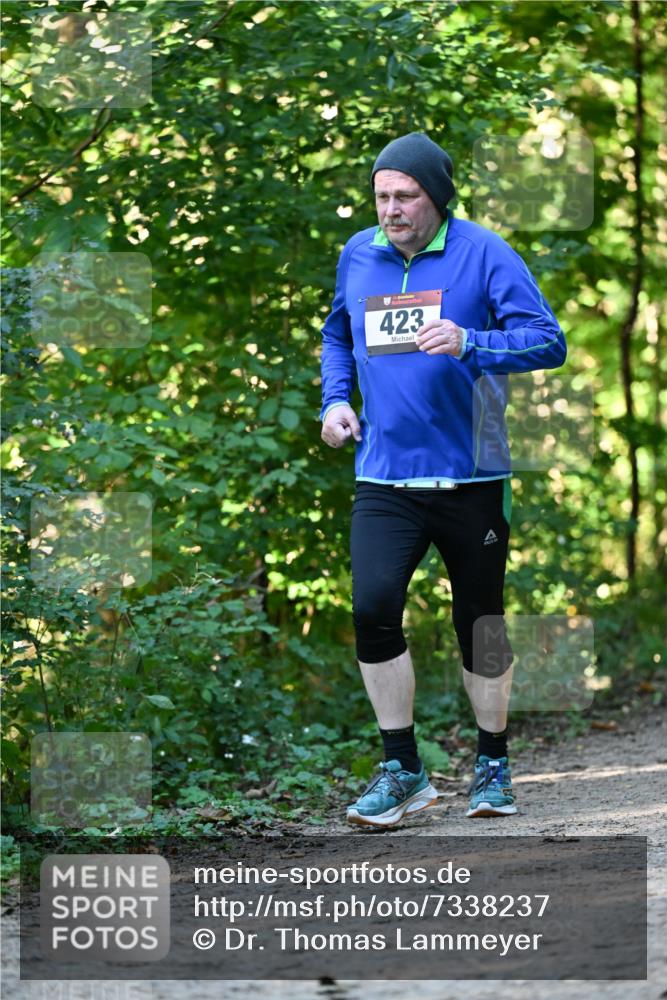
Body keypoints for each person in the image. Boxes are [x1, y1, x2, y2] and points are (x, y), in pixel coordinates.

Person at [319, 132, 567, 828]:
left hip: (472, 475)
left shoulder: (484, 252)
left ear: (437, 197)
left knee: (479, 623)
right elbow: (338, 335)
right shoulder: (358, 255)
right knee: (371, 609)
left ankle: (492, 763)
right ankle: (403, 770)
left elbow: (548, 340)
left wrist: (472, 341)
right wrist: (334, 401)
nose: (390, 209)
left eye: (405, 196)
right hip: (385, 477)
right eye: (381, 196)